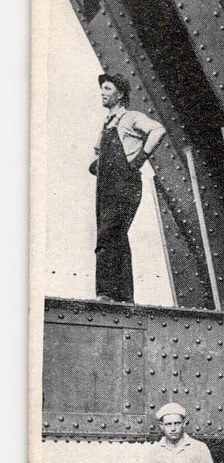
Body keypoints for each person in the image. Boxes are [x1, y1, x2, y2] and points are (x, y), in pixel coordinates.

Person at [90, 72, 166, 304]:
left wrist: (139, 158)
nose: (102, 93)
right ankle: (123, 295)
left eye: (108, 89)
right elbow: (97, 152)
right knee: (115, 235)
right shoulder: (106, 125)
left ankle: (106, 293)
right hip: (107, 185)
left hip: (124, 183)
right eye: (102, 88)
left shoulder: (131, 117)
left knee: (108, 234)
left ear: (120, 94)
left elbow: (158, 130)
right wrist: (99, 165)